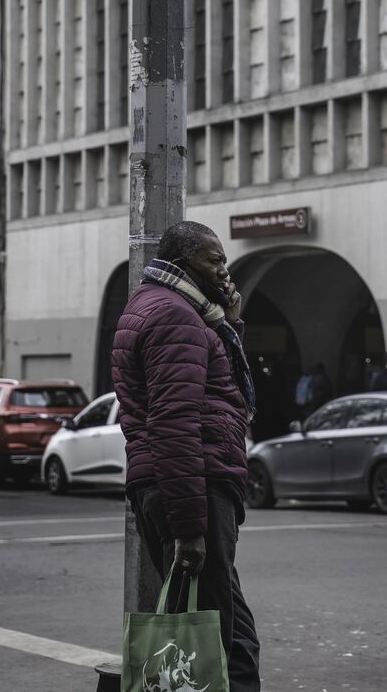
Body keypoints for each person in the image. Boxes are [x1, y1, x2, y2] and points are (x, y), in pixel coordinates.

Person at [111, 220, 261, 692]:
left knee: (220, 632)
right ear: (182, 262)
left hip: (181, 483)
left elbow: (209, 388)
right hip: (196, 484)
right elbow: (174, 424)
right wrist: (190, 529)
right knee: (221, 641)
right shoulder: (175, 315)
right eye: (213, 259)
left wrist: (230, 320)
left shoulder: (165, 308)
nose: (224, 269)